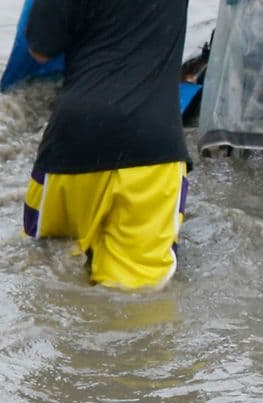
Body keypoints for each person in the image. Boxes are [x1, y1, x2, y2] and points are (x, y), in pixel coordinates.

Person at [21, 0, 191, 289]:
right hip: (153, 145)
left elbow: (40, 50)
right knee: (139, 298)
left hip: (73, 142)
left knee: (48, 266)